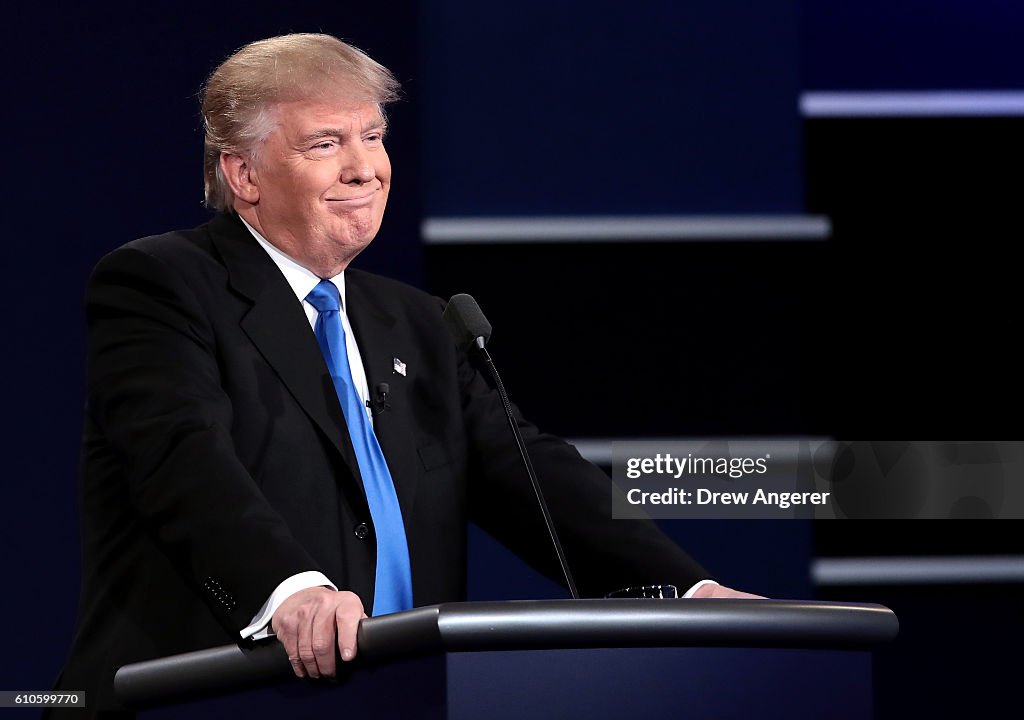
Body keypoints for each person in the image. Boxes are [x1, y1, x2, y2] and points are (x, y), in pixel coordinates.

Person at [52, 33, 756, 717]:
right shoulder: (162, 286)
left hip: (399, 698)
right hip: (211, 696)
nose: (365, 168)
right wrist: (289, 590)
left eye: (374, 136)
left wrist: (689, 590)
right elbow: (182, 459)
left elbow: (530, 473)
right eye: (325, 144)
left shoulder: (417, 324)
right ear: (244, 175)